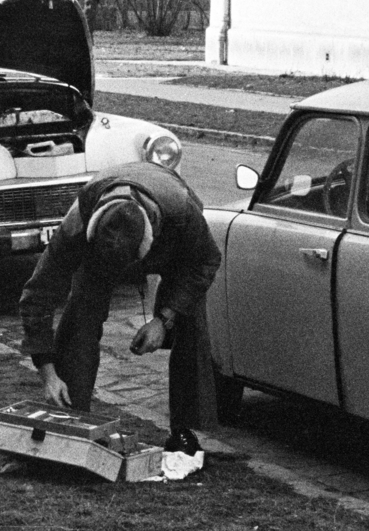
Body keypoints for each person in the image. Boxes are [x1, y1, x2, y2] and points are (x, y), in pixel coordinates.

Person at [18, 162, 223, 445]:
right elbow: (38, 294)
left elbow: (205, 262)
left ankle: (186, 433)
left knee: (190, 319)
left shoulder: (183, 213)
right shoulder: (77, 222)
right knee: (81, 312)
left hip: (174, 239)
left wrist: (164, 320)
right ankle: (72, 422)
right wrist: (48, 374)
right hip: (100, 251)